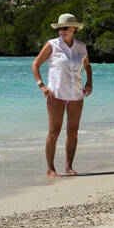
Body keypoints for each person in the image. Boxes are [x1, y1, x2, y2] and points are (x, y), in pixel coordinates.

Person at [32, 12, 92, 178]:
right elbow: (35, 65)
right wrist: (42, 86)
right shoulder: (52, 45)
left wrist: (89, 82)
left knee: (73, 132)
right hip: (56, 95)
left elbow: (87, 65)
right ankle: (50, 169)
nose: (62, 31)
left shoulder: (81, 46)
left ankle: (68, 167)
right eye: (59, 28)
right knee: (54, 132)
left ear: (74, 28)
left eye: (65, 28)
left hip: (76, 94)